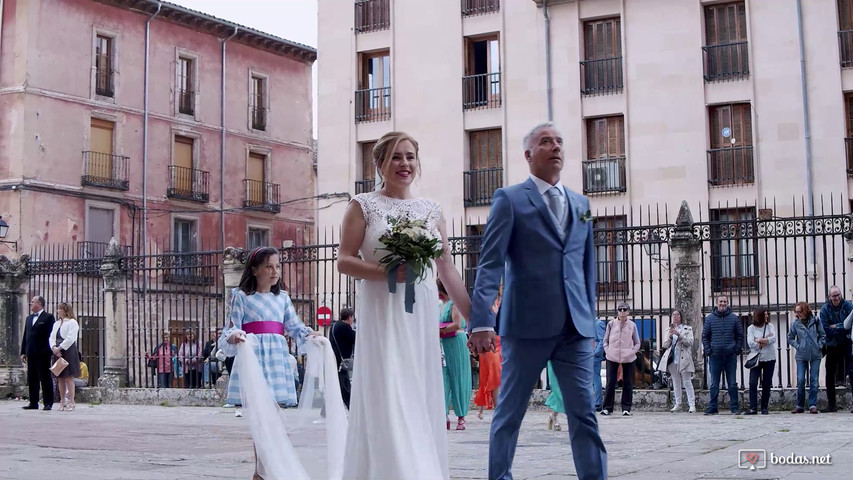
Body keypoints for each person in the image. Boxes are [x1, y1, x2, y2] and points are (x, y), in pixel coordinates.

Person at [469, 122, 607, 480]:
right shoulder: (510, 198)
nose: (555, 146)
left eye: (559, 141)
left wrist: (590, 319)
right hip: (525, 326)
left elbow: (586, 266)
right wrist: (482, 320)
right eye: (546, 142)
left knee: (584, 414)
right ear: (528, 154)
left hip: (575, 328)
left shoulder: (582, 203)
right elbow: (490, 263)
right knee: (510, 413)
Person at [337, 131, 471, 480]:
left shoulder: (431, 210)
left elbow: (446, 269)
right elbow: (344, 261)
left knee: (416, 389)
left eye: (410, 156)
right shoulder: (362, 205)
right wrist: (384, 272)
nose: (405, 164)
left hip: (420, 313)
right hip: (382, 310)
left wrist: (477, 318)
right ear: (380, 163)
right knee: (389, 388)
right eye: (396, 157)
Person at [218, 246, 319, 480]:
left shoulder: (282, 298)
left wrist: (309, 335)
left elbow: (294, 326)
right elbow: (232, 327)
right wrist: (234, 336)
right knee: (263, 417)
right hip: (255, 361)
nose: (274, 272)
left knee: (273, 416)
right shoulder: (241, 297)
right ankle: (263, 470)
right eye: (268, 267)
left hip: (277, 360)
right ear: (254, 270)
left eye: (277, 267)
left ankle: (262, 471)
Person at [438, 279, 472, 431]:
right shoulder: (440, 305)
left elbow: (457, 324)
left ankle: (461, 416)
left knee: (458, 377)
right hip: (443, 343)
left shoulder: (453, 304)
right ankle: (443, 414)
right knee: (443, 378)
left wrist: (440, 330)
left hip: (456, 341)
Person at [702, 295, 744, 415]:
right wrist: (709, 350)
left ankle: (734, 407)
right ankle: (713, 406)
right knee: (714, 383)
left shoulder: (734, 319)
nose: (722, 303)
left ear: (727, 303)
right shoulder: (709, 319)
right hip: (715, 356)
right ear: (716, 303)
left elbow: (740, 335)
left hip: (730, 356)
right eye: (720, 301)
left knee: (732, 383)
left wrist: (736, 349)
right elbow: (705, 336)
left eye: (725, 301)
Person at [601, 302, 640, 416]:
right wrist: (608, 350)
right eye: (620, 309)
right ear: (617, 311)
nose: (622, 312)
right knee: (610, 382)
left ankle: (626, 408)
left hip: (628, 357)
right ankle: (607, 407)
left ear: (628, 312)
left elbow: (637, 342)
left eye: (625, 310)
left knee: (628, 382)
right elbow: (605, 340)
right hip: (612, 355)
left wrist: (632, 351)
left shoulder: (632, 325)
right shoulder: (611, 324)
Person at [787, 302, 825, 414]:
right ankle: (800, 405)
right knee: (800, 379)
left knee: (814, 380)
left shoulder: (816, 321)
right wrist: (798, 346)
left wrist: (819, 345)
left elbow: (822, 335)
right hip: (801, 354)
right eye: (796, 312)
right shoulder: (795, 323)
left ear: (805, 310)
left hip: (815, 354)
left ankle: (813, 404)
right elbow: (790, 338)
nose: (798, 314)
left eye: (800, 311)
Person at [818, 286, 851, 412]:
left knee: (851, 372)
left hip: (846, 343)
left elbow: (850, 326)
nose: (836, 298)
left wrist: (836, 326)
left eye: (838, 295)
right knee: (830, 375)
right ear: (829, 297)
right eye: (834, 296)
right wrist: (842, 326)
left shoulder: (847, 306)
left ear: (841, 294)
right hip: (832, 345)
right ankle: (831, 404)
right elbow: (826, 330)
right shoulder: (825, 309)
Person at [20, 295, 56, 410]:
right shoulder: (29, 318)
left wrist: (48, 350)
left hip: (43, 353)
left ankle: (48, 402)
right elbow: (26, 335)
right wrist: (23, 351)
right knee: (32, 378)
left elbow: (51, 335)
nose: (31, 303)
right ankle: (33, 402)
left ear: (39, 303)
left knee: (45, 378)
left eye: (33, 301)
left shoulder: (48, 317)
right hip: (31, 352)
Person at [658, 309, 695, 413]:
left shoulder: (688, 329)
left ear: (681, 317)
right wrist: (670, 337)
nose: (675, 317)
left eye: (677, 315)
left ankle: (692, 404)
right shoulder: (668, 330)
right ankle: (678, 403)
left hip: (684, 358)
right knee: (675, 381)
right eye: (673, 315)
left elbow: (690, 342)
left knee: (687, 381)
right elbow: (664, 345)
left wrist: (679, 335)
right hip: (672, 358)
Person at [474, 290, 503, 420]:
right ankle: (497, 408)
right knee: (491, 375)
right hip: (489, 343)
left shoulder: (501, 304)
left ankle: (483, 409)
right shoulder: (486, 307)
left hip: (500, 342)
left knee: (494, 375)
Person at [49, 302, 82, 412]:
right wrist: (54, 347)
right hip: (57, 350)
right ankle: (62, 401)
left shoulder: (72, 322)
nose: (58, 311)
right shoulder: (56, 323)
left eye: (60, 309)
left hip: (68, 350)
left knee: (69, 377)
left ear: (65, 310)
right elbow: (52, 337)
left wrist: (60, 348)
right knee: (60, 377)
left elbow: (71, 338)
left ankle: (71, 401)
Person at [744, 308, 776, 415]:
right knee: (753, 383)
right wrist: (764, 341)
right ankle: (753, 407)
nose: (767, 316)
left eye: (767, 314)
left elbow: (773, 339)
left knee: (767, 383)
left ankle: (764, 407)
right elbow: (750, 342)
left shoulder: (770, 326)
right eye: (765, 314)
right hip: (756, 358)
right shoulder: (751, 328)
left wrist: (759, 340)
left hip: (769, 357)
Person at [330, 307, 356, 409]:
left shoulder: (334, 325)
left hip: (335, 359)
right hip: (341, 362)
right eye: (352, 318)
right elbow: (355, 338)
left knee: (337, 384)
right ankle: (351, 407)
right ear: (349, 317)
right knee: (344, 385)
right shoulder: (345, 327)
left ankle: (329, 409)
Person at [592, 318, 607, 412]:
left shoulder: (598, 324)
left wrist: (595, 353)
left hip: (594, 355)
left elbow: (602, 340)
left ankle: (597, 403)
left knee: (595, 378)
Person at [545, 361, 565, 430]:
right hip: (554, 360)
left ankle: (553, 415)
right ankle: (554, 417)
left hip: (569, 359)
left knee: (569, 390)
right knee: (559, 391)